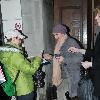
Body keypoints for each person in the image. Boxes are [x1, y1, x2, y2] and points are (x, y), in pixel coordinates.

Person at [0, 29, 43, 100]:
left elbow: (17, 64)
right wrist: (38, 59)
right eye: (19, 39)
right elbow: (31, 70)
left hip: (16, 86)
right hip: (24, 88)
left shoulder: (4, 52)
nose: (21, 41)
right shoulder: (15, 54)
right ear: (13, 38)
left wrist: (33, 59)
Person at [68, 6, 100, 99]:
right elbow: (95, 53)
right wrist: (79, 50)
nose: (95, 18)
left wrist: (90, 64)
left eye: (98, 15)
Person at [52, 24, 83, 100]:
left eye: (57, 34)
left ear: (63, 33)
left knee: (62, 95)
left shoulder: (71, 42)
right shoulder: (59, 43)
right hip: (62, 76)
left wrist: (64, 59)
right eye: (54, 35)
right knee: (61, 95)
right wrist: (50, 57)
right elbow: (59, 58)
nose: (55, 37)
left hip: (70, 76)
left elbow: (80, 58)